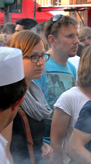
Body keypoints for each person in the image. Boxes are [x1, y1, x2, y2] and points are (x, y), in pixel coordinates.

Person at [3, 31, 53, 164]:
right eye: (33, 57)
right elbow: (4, 149)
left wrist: (42, 145)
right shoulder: (9, 96)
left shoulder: (33, 92)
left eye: (42, 56)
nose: (40, 62)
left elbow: (29, 135)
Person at [34, 15, 79, 143]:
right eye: (70, 36)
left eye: (76, 35)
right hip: (44, 146)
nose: (76, 41)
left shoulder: (72, 68)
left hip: (66, 144)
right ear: (52, 40)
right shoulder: (40, 66)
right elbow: (33, 112)